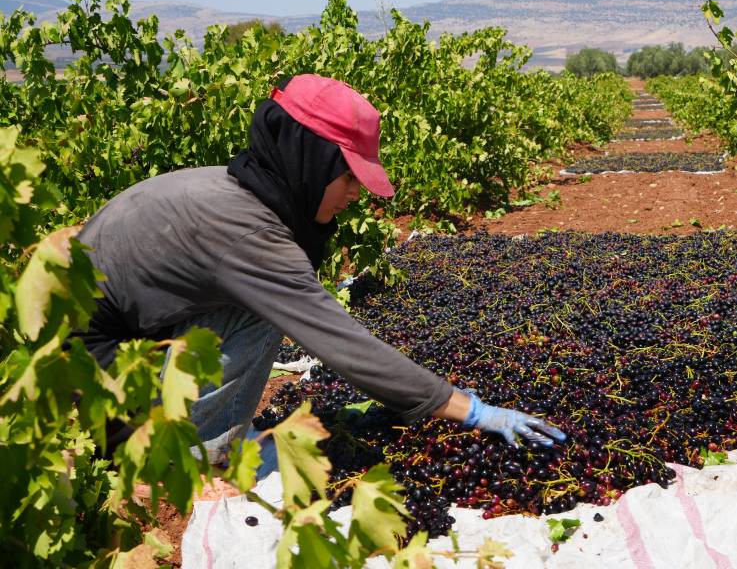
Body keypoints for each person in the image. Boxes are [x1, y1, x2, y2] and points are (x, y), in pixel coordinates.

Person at [73, 73, 565, 464]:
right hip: (94, 374)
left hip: (113, 342)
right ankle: (181, 458)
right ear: (311, 160)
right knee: (273, 307)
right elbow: (338, 341)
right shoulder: (248, 234)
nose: (355, 193)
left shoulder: (234, 190)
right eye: (349, 176)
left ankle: (177, 433)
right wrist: (467, 408)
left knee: (268, 301)